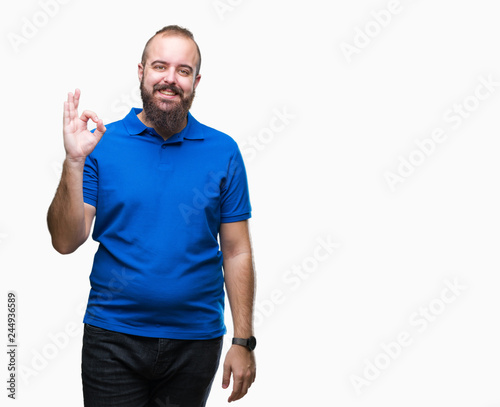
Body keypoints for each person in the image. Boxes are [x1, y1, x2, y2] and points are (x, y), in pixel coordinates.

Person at [47, 25, 257, 407]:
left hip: (196, 341)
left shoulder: (223, 150)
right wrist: (74, 160)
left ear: (195, 81)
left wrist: (243, 341)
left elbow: (237, 251)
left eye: (183, 70)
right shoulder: (101, 143)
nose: (170, 79)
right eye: (160, 66)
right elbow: (65, 241)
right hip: (113, 338)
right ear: (141, 71)